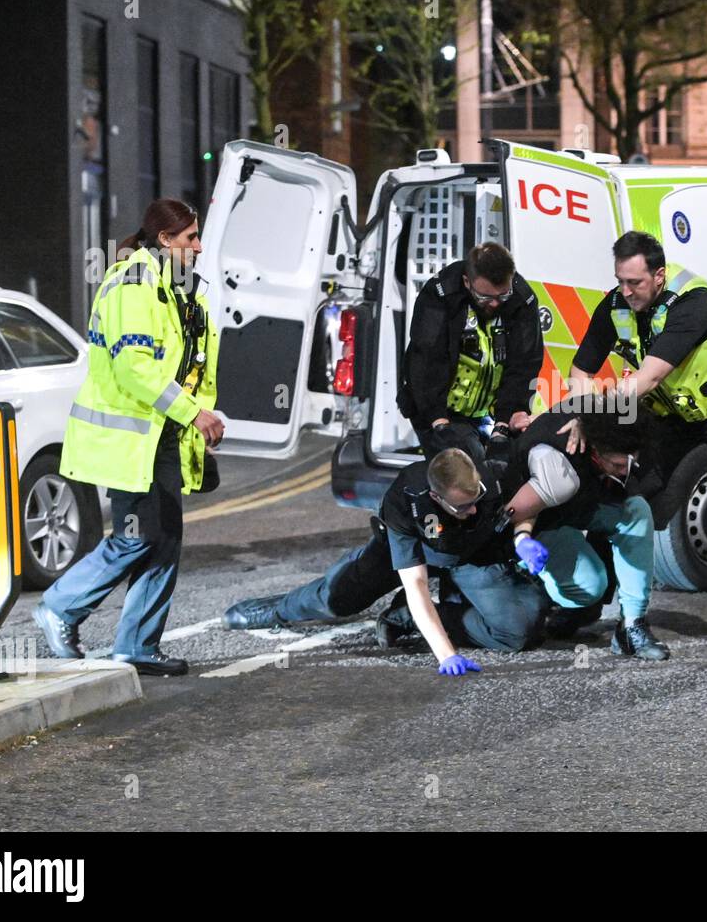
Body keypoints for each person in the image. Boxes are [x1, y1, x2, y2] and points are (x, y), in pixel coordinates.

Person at [567, 231, 707, 658]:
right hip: (671, 415)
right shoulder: (615, 305)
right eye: (620, 280)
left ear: (658, 275)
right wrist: (580, 412)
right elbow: (579, 370)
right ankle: (596, 611)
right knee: (630, 498)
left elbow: (648, 378)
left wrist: (599, 414)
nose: (626, 290)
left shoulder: (695, 302)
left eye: (635, 282)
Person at [32, 199, 225, 676]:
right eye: (190, 238)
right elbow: (134, 367)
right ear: (164, 240)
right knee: (138, 538)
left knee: (164, 539)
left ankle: (137, 645)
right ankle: (61, 605)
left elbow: (192, 361)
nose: (199, 246)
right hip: (131, 435)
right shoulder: (134, 283)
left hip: (161, 434)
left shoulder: (180, 288)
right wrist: (193, 414)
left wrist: (196, 419)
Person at [222, 449, 552, 673]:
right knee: (338, 597)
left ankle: (403, 617)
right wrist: (446, 654)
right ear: (437, 498)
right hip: (416, 553)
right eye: (464, 507)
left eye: (477, 500)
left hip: (469, 555)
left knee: (516, 630)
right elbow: (417, 584)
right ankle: (276, 610)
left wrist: (522, 537)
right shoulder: (406, 501)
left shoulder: (492, 475)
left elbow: (527, 507)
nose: (475, 510)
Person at [508, 397, 668, 660]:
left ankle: (631, 626)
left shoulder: (621, 434)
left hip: (581, 505)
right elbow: (516, 513)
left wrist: (584, 417)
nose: (625, 471)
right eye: (616, 465)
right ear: (594, 449)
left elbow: (599, 399)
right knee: (589, 588)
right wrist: (522, 540)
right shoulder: (554, 458)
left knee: (637, 511)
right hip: (542, 521)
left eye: (629, 463)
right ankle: (541, 589)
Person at [397, 242, 544, 464]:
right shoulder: (441, 294)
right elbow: (425, 362)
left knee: (507, 467)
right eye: (485, 298)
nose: (495, 304)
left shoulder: (521, 299)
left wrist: (504, 425)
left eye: (502, 296)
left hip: (491, 409)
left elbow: (525, 363)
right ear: (467, 282)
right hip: (440, 409)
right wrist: (439, 423)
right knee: (464, 469)